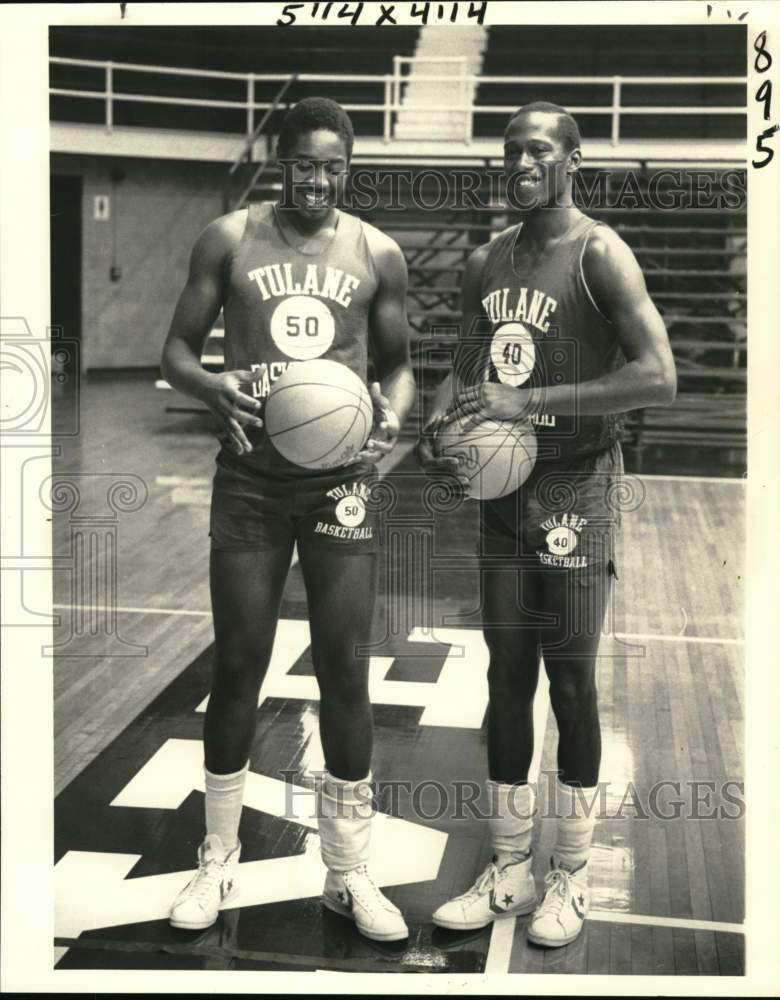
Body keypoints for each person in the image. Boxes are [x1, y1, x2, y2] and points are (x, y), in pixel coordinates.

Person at [417, 101, 676, 947]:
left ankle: (571, 873)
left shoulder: (601, 252)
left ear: (571, 160)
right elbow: (466, 368)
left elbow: (658, 375)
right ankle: (508, 864)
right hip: (503, 497)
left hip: (575, 491)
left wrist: (531, 400)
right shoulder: (487, 260)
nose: (522, 163)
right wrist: (441, 426)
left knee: (571, 685)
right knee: (504, 680)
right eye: (512, 151)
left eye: (539, 151)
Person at [161, 97, 415, 943]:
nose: (318, 179)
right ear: (279, 163)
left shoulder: (378, 252)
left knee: (346, 669)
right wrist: (211, 389)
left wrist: (390, 421)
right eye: (303, 164)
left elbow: (401, 369)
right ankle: (217, 856)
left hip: (341, 482)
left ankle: (348, 873)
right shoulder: (229, 239)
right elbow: (177, 353)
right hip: (250, 483)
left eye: (332, 165)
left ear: (349, 166)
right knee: (239, 665)